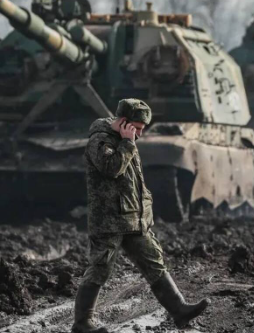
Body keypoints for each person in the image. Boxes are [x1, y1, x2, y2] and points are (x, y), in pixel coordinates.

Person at [72, 98, 209, 333]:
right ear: (124, 122)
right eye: (137, 127)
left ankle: (179, 310)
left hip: (133, 219)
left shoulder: (127, 140)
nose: (140, 133)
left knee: (153, 261)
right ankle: (82, 323)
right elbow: (111, 168)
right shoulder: (100, 140)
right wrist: (126, 143)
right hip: (109, 221)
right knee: (100, 267)